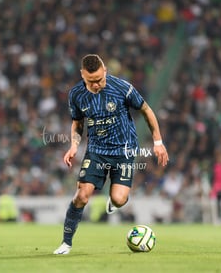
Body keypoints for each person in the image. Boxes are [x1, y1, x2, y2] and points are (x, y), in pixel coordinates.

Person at [53, 54, 169, 254]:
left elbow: (146, 110)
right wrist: (73, 146)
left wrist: (158, 142)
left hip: (123, 151)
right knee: (81, 195)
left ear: (105, 70)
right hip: (96, 151)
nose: (96, 85)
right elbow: (77, 123)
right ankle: (66, 243)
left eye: (99, 79)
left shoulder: (122, 88)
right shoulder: (76, 94)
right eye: (91, 82)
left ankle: (115, 201)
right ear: (82, 75)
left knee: (119, 199)